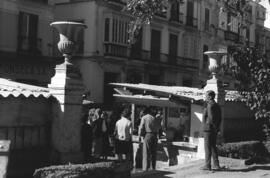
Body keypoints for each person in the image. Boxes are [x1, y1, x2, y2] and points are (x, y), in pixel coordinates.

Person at [201, 90, 222, 171]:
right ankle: (216, 164)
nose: (205, 97)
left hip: (208, 129)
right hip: (214, 129)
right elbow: (219, 118)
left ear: (210, 96)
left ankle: (207, 165)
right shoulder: (217, 105)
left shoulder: (210, 105)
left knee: (207, 147)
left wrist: (212, 127)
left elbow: (211, 118)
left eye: (206, 95)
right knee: (213, 146)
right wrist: (217, 128)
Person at [138, 107, 162, 171]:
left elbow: (141, 127)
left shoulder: (144, 117)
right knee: (153, 153)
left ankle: (145, 169)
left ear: (145, 112)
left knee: (146, 153)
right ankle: (153, 168)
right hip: (155, 135)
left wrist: (139, 136)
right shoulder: (154, 118)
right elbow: (158, 127)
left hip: (148, 135)